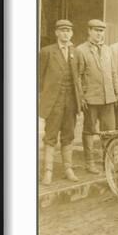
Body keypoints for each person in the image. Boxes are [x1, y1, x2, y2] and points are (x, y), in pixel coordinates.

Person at [39, 19, 84, 185]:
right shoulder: (47, 52)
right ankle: (48, 171)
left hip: (70, 102)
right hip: (54, 102)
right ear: (56, 33)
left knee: (68, 135)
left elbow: (77, 77)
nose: (66, 33)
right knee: (50, 136)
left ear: (71, 33)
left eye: (68, 30)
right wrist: (44, 99)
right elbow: (39, 79)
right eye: (62, 30)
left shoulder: (76, 52)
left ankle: (68, 169)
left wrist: (79, 100)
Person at [77, 19, 118, 174]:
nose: (99, 33)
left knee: (109, 131)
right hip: (91, 98)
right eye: (96, 30)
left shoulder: (108, 50)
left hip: (108, 98)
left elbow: (114, 72)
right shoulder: (81, 50)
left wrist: (117, 93)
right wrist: (81, 97)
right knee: (89, 130)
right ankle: (89, 163)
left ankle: (108, 161)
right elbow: (78, 76)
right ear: (89, 31)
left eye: (101, 31)